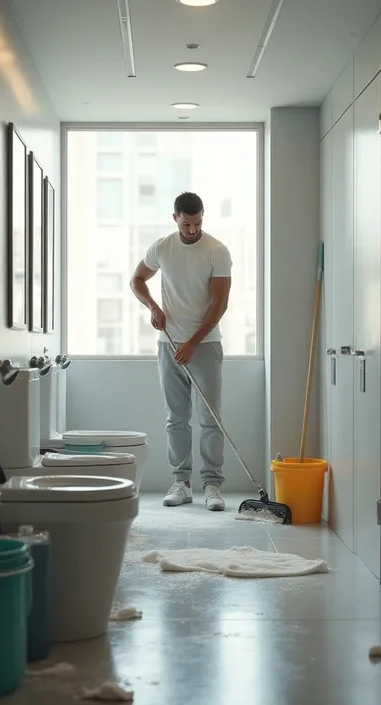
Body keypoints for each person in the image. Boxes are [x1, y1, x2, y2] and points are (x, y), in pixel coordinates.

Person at [130, 192, 232, 511]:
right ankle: (182, 483)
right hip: (169, 344)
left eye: (198, 222)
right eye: (187, 224)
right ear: (175, 218)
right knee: (176, 418)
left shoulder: (217, 251)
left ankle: (212, 485)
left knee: (210, 417)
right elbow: (137, 280)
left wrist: (194, 342)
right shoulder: (162, 247)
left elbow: (220, 304)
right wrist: (153, 307)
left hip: (205, 344)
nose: (192, 230)